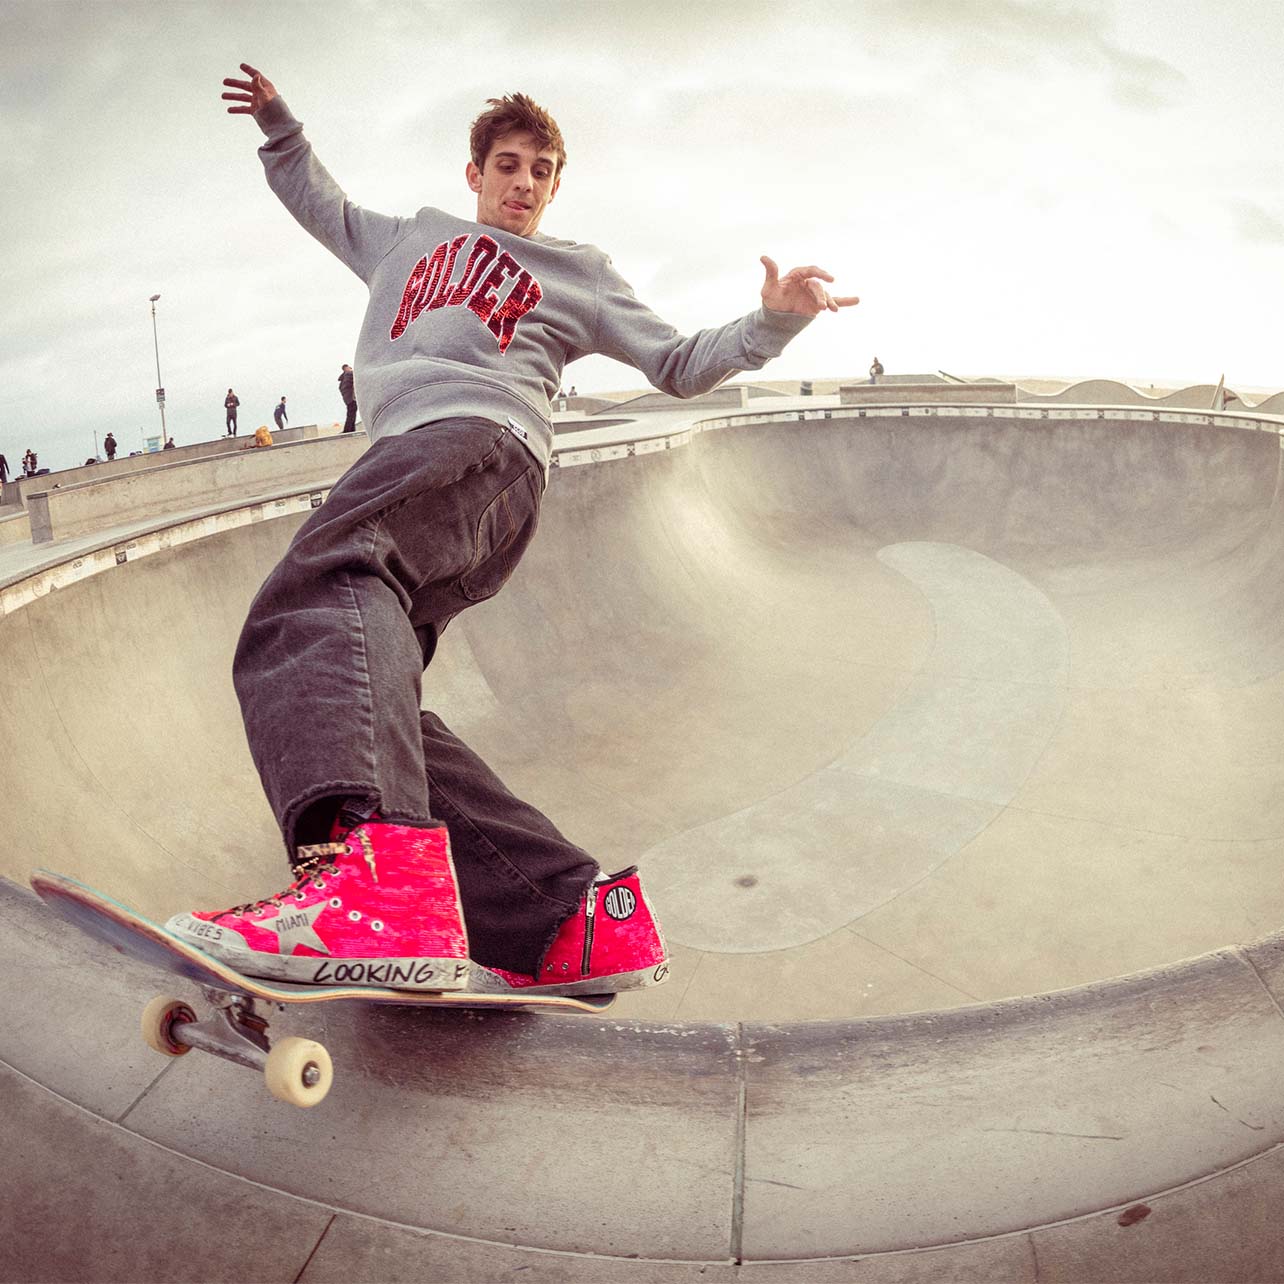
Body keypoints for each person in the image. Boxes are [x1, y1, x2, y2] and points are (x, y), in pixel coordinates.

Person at [167, 62, 857, 999]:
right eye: (508, 165)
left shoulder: (581, 274)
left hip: (475, 445)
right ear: (475, 175)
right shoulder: (409, 240)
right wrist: (282, 128)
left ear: (556, 186)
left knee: (319, 591)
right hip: (454, 482)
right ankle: (570, 919)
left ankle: (377, 885)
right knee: (375, 702)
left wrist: (770, 326)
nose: (524, 184)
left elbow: (678, 363)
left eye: (541, 170)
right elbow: (318, 202)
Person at [338, 363, 357, 432]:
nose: (351, 369)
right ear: (346, 368)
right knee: (351, 414)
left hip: (347, 399)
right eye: (350, 367)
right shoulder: (349, 374)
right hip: (351, 398)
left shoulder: (343, 379)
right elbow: (356, 377)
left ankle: (351, 429)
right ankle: (348, 430)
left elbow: (341, 388)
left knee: (351, 413)